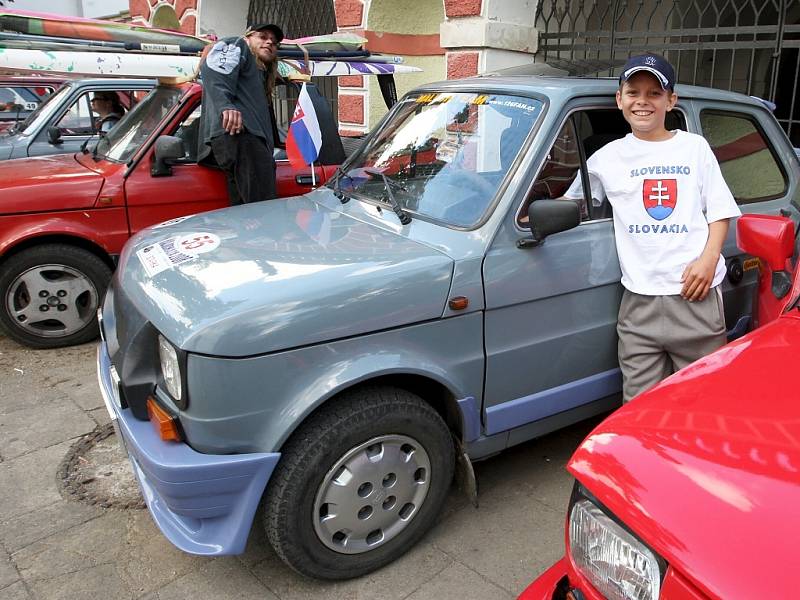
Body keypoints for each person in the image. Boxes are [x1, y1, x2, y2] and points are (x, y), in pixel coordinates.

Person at [564, 53, 741, 402]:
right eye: (633, 92)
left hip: (694, 295)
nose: (642, 102)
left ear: (670, 100)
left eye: (654, 93)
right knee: (639, 404)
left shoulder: (693, 148)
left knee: (703, 399)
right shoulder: (606, 159)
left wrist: (708, 260)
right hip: (638, 300)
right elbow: (572, 205)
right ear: (620, 100)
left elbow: (720, 210)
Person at [198, 22, 283, 205]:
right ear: (248, 38)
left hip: (242, 141)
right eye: (262, 37)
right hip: (242, 136)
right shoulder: (237, 44)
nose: (269, 43)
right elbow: (213, 68)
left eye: (274, 42)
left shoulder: (258, 74)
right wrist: (226, 106)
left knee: (246, 212)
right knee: (264, 207)